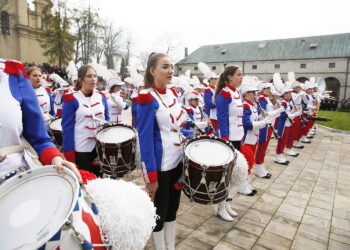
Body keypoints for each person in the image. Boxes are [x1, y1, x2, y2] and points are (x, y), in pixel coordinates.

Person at [0, 59, 81, 181]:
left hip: (14, 180)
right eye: (35, 75)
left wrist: (54, 157)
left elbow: (38, 138)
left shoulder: (12, 73)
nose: (38, 78)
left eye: (39, 76)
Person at [137, 53, 185, 250]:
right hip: (161, 165)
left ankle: (170, 246)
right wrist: (150, 177)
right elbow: (144, 139)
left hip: (178, 161)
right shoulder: (146, 97)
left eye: (172, 67)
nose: (170, 71)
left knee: (173, 209)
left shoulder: (172, 94)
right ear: (152, 70)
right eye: (165, 67)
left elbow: (177, 127)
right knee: (160, 212)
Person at [62, 65, 109, 177]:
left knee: (99, 182)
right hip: (81, 149)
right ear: (81, 79)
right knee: (85, 184)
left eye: (95, 76)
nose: (93, 79)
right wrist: (70, 156)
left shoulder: (101, 97)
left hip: (99, 149)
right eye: (89, 76)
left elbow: (107, 122)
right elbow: (67, 129)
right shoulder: (71, 98)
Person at [255, 81, 282, 178]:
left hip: (268, 125)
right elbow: (264, 114)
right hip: (264, 127)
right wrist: (279, 111)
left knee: (264, 147)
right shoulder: (262, 98)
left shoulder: (266, 98)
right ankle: (258, 166)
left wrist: (276, 107)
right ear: (263, 89)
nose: (270, 91)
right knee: (262, 147)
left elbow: (269, 111)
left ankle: (261, 165)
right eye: (268, 89)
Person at [275, 86, 301, 165]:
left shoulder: (286, 101)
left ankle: (281, 154)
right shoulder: (283, 102)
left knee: (284, 140)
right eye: (289, 93)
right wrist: (296, 114)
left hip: (287, 124)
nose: (291, 94)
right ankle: (278, 155)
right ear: (285, 94)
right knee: (281, 140)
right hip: (283, 124)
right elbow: (284, 116)